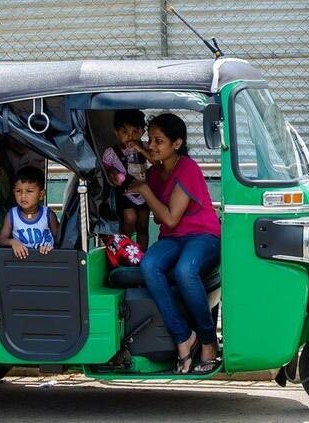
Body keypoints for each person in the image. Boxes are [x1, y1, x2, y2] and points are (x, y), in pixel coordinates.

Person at [128, 113, 221, 374]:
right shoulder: (156, 174)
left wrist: (144, 190)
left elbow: (169, 217)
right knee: (149, 265)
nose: (151, 145)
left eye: (159, 141)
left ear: (177, 144)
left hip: (204, 236)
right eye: (149, 140)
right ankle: (183, 336)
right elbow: (163, 220)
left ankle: (208, 340)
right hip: (173, 238)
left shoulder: (188, 168)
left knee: (184, 271)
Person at [101, 110, 153, 250]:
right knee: (129, 219)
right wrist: (112, 172)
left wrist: (141, 149)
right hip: (124, 192)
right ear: (116, 133)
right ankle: (126, 252)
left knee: (143, 224)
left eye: (135, 131)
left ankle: (141, 255)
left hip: (144, 193)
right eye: (124, 132)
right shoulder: (111, 152)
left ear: (142, 132)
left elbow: (154, 161)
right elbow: (105, 168)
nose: (130, 136)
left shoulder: (147, 147)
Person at [0, 166, 59, 259]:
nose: (23, 196)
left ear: (41, 195)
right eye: (18, 191)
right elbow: (1, 239)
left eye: (29, 191)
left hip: (46, 260)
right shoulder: (11, 215)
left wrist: (51, 248)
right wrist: (13, 242)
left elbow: (60, 240)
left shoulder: (49, 215)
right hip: (22, 262)